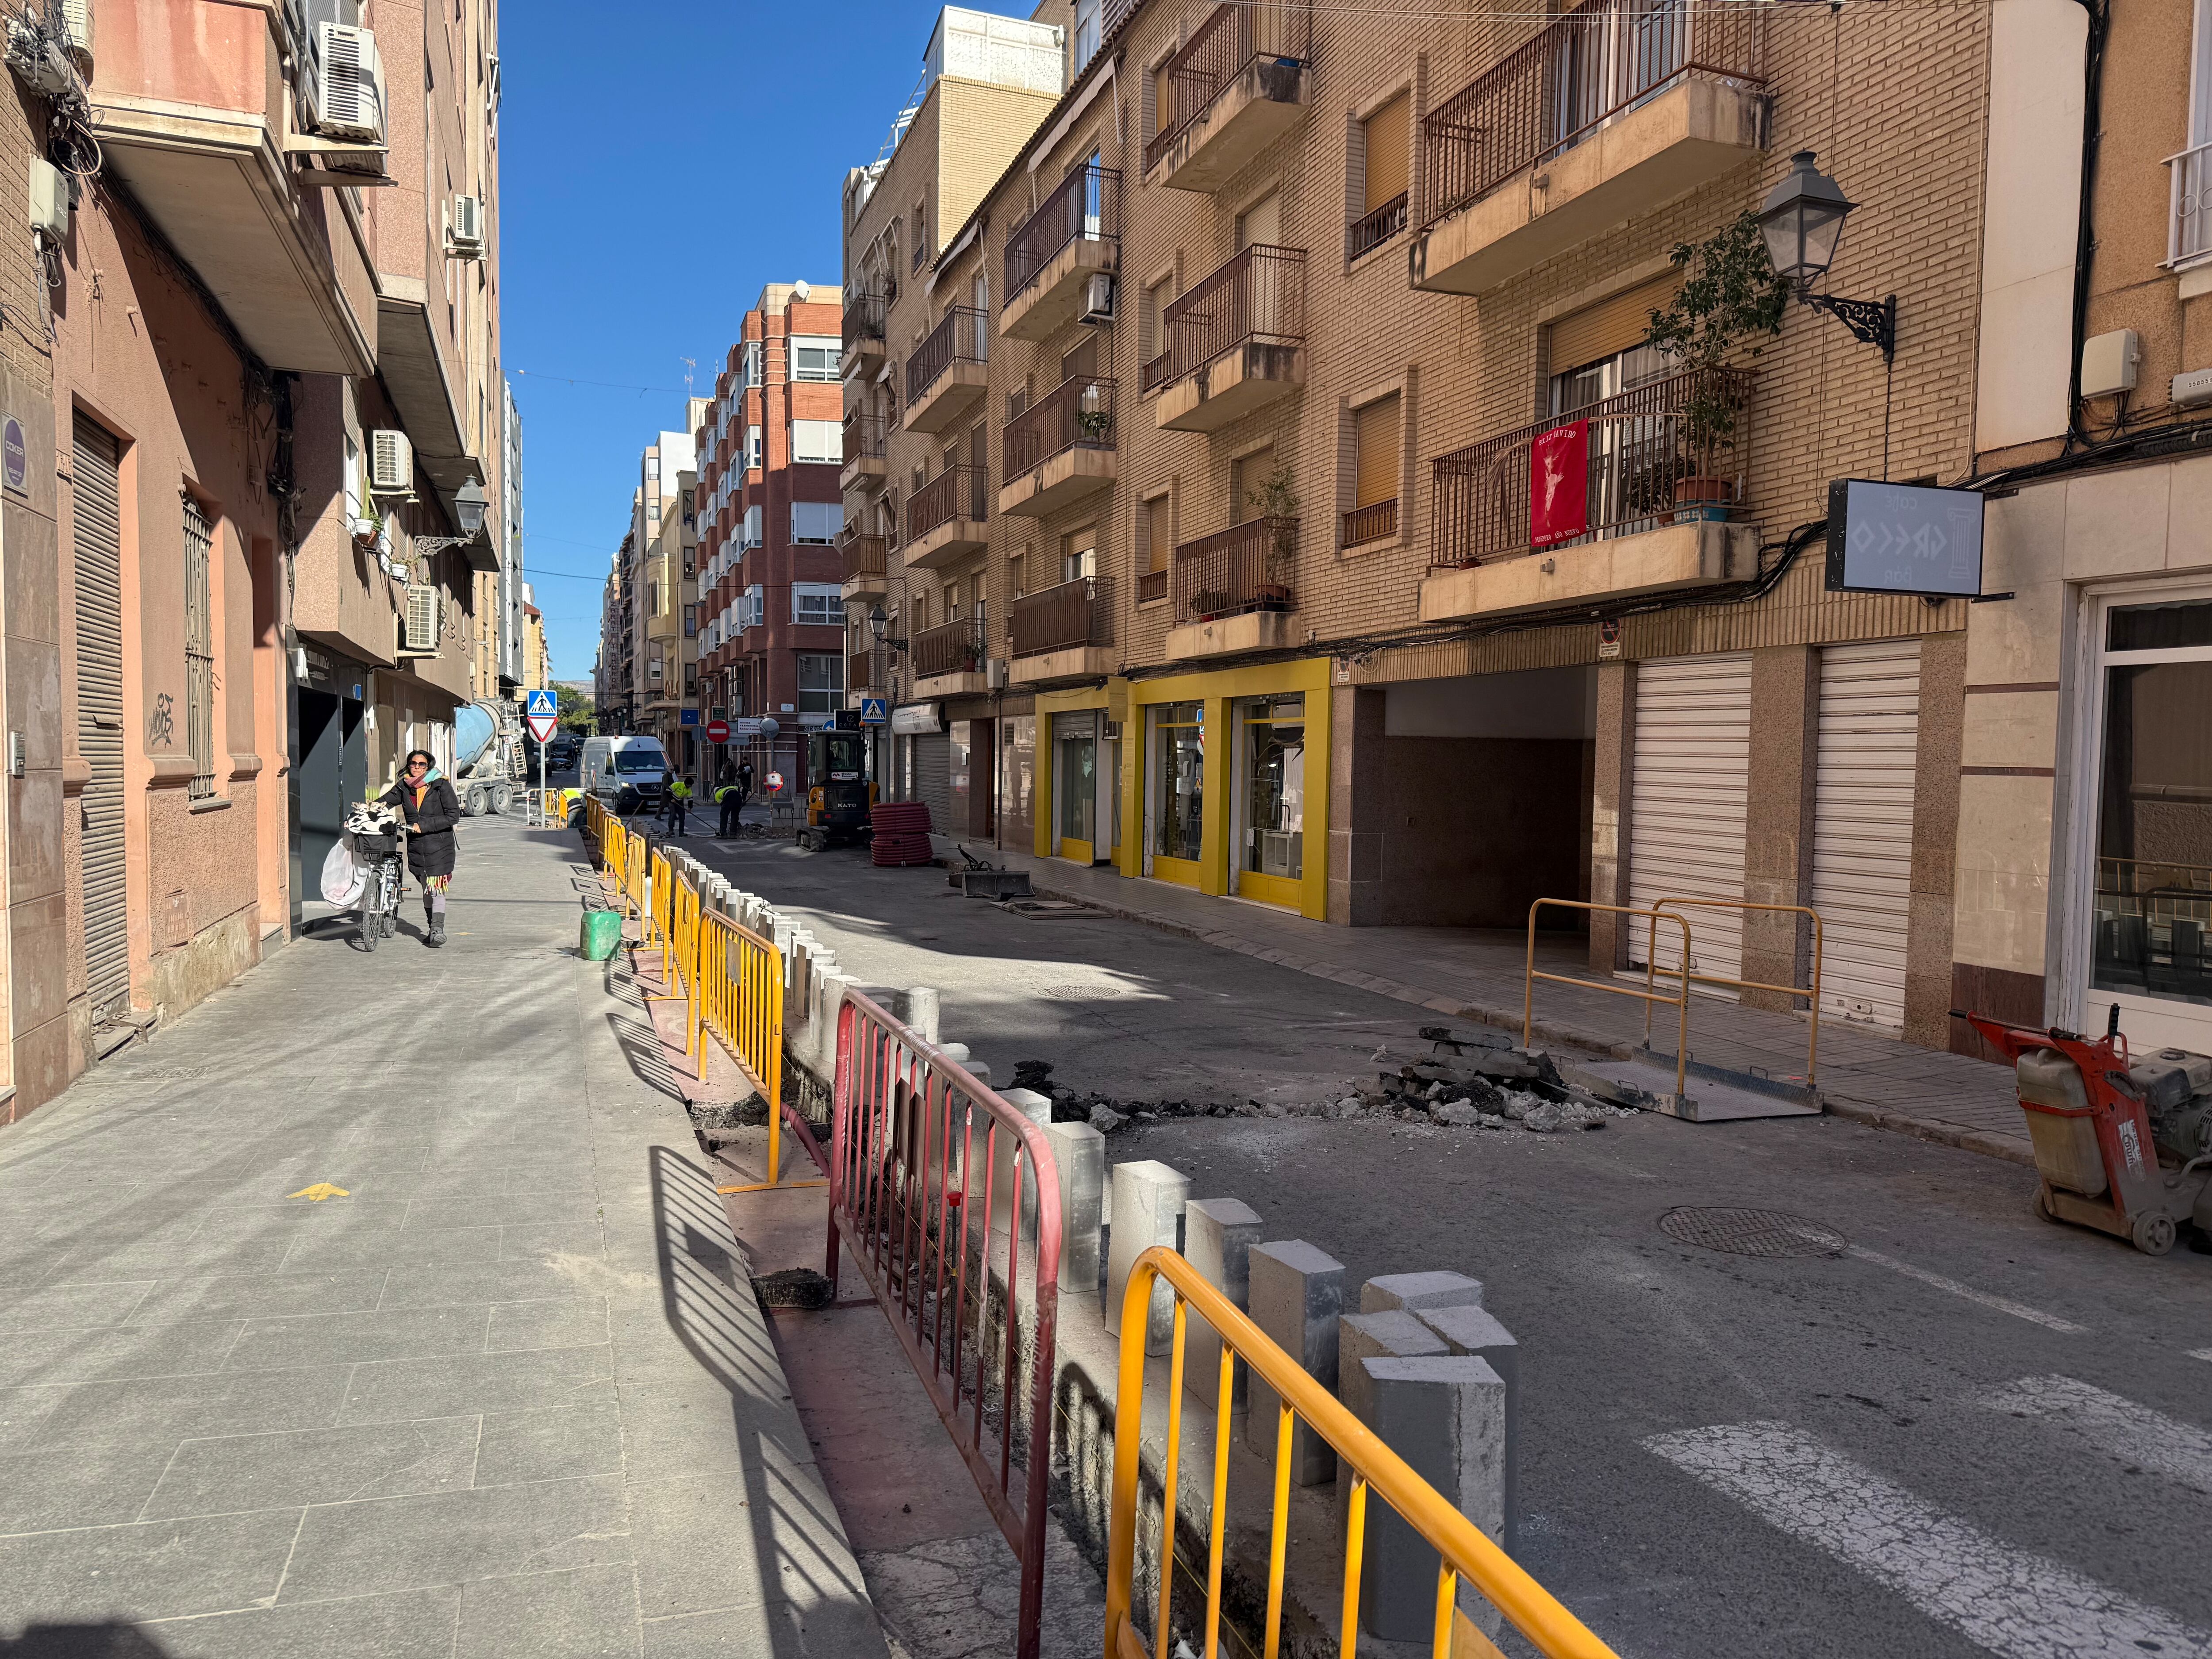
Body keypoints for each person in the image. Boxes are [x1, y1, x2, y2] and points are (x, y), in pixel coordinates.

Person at [381, 749, 461, 947]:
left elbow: (453, 816)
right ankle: (431, 929)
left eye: (422, 764)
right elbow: (385, 802)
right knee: (426, 889)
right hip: (417, 847)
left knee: (437, 888)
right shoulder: (404, 787)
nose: (417, 767)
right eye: (413, 764)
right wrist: (366, 811)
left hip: (439, 845)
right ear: (409, 765)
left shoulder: (440, 785)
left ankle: (437, 929)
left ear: (429, 766)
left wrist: (423, 825)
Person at [714, 767, 742, 838]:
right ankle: (733, 833)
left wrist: (727, 809)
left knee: (724, 815)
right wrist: (743, 801)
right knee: (735, 816)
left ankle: (723, 834)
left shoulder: (717, 795)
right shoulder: (728, 788)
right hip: (738, 797)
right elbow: (741, 789)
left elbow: (722, 804)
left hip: (729, 797)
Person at [663, 771, 691, 838]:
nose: (690, 787)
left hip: (680, 802)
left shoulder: (689, 789)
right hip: (672, 801)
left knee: (682, 816)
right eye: (690, 785)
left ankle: (681, 832)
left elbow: (690, 799)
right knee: (672, 815)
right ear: (687, 784)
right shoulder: (678, 784)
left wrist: (690, 808)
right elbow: (668, 791)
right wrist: (671, 799)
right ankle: (671, 831)